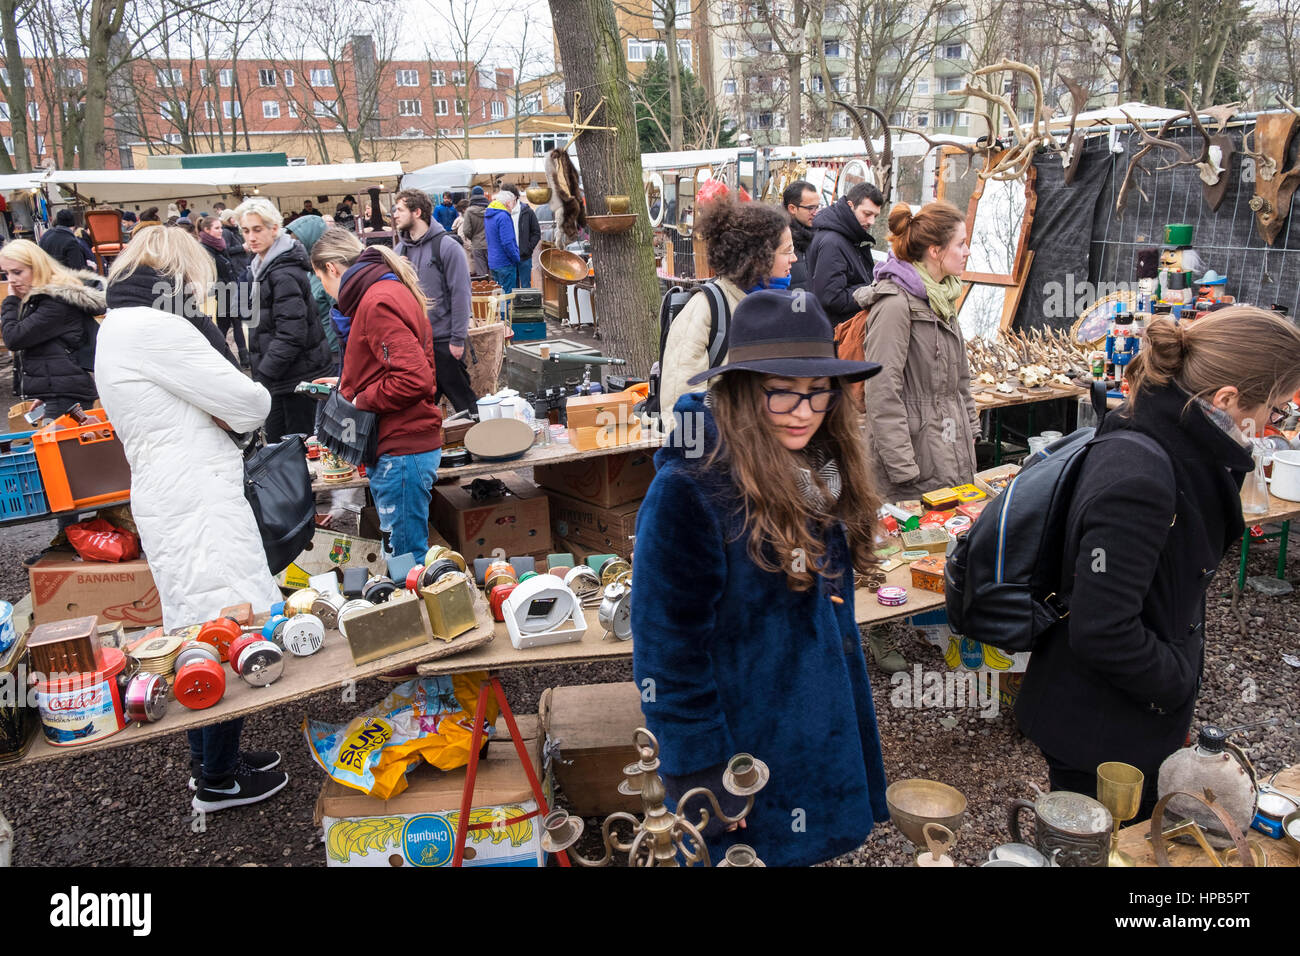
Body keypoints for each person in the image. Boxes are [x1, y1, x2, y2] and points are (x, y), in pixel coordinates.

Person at [633, 289, 888, 866]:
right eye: (782, 394)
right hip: (743, 750)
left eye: (819, 394)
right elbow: (666, 655)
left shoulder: (815, 470)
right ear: (743, 393)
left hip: (812, 731)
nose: (804, 412)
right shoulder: (690, 491)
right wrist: (709, 772)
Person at [1016, 308, 1300, 820]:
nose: (1275, 427)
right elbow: (1102, 629)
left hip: (1127, 704)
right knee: (1104, 844)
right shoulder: (1143, 476)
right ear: (1228, 399)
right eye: (1277, 411)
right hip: (1101, 723)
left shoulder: (1166, 432)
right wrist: (1176, 683)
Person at [96, 226, 287, 813]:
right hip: (195, 497)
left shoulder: (118, 326)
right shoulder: (155, 327)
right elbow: (249, 402)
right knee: (222, 622)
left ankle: (213, 763)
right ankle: (220, 779)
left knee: (195, 628)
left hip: (171, 491)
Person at [310, 227, 443, 559]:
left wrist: (359, 399)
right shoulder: (383, 291)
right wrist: (347, 383)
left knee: (404, 561)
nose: (326, 292)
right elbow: (393, 365)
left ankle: (415, 609)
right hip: (400, 444)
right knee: (404, 556)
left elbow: (414, 378)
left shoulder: (375, 300)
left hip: (400, 446)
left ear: (331, 269)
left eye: (322, 281)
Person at [657, 196, 797, 424]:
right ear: (758, 256)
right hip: (722, 453)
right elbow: (679, 405)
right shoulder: (706, 310)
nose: (795, 258)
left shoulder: (785, 307)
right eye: (787, 251)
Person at [235, 196, 334, 441]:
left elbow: (291, 334)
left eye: (257, 229)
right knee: (281, 449)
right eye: (246, 231)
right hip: (283, 377)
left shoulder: (283, 272)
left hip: (295, 378)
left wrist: (262, 377)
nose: (251, 237)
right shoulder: (262, 266)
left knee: (295, 451)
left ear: (274, 229)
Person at [392, 189, 476, 412]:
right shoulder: (399, 251)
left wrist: (457, 339)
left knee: (465, 406)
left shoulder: (447, 247)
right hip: (415, 345)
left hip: (444, 342)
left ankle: (482, 443)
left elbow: (461, 294)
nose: (395, 215)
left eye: (400, 209)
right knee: (421, 410)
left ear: (417, 212)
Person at [0, 239, 102, 417]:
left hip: (66, 394)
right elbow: (52, 351)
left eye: (17, 272)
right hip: (62, 392)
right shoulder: (49, 298)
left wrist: (11, 301)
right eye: (6, 274)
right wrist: (47, 392)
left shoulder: (55, 302)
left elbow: (13, 338)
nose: (11, 281)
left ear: (37, 267)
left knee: (62, 444)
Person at [806, 182, 883, 326]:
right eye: (867, 214)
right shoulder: (833, 242)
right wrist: (871, 290)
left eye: (875, 216)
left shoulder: (846, 236)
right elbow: (831, 298)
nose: (871, 221)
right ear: (850, 205)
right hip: (838, 334)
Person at [286, 215, 342, 372]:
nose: (294, 246)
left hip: (334, 353)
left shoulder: (329, 272)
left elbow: (341, 315)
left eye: (298, 242)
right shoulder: (311, 271)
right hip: (319, 350)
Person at [196, 215, 249, 368]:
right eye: (217, 228)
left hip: (229, 290)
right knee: (224, 326)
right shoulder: (205, 249)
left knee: (233, 323)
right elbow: (209, 274)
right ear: (206, 230)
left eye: (220, 227)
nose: (221, 231)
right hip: (220, 293)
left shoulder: (219, 245)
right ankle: (218, 355)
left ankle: (241, 357)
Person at [502, 184, 541, 289]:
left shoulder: (527, 212)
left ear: (514, 197)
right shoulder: (502, 212)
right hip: (509, 257)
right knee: (511, 289)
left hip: (524, 256)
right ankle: (512, 306)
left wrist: (528, 248)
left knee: (525, 288)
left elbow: (536, 232)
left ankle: (526, 306)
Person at [783, 180, 819, 291]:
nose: (815, 212)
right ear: (792, 208)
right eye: (810, 208)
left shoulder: (817, 235)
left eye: (817, 207)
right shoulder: (778, 236)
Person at [484, 189, 521, 294]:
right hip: (505, 262)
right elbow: (507, 242)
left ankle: (500, 311)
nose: (513, 207)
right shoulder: (503, 216)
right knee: (507, 296)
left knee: (497, 296)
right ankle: (505, 311)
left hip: (493, 261)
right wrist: (516, 258)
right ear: (508, 203)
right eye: (514, 203)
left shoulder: (489, 215)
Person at [461, 185, 491, 275]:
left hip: (477, 245)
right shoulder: (490, 210)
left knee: (482, 274)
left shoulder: (469, 211)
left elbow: (466, 231)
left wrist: (473, 238)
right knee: (493, 273)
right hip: (491, 244)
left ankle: (485, 289)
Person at [219, 209, 250, 275]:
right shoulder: (226, 232)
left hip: (242, 264)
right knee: (244, 284)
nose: (235, 219)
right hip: (237, 267)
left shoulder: (235, 230)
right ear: (227, 219)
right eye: (232, 217)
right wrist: (242, 248)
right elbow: (226, 250)